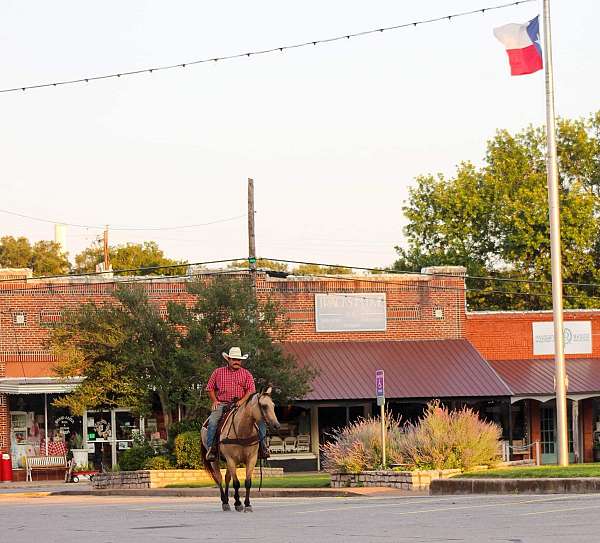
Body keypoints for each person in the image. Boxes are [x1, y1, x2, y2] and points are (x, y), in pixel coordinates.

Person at [205, 346, 269, 461]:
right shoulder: (218, 372)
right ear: (228, 359)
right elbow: (210, 388)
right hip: (223, 403)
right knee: (213, 421)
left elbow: (251, 390)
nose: (236, 362)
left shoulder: (246, 374)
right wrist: (215, 400)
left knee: (260, 419)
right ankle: (211, 449)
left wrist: (241, 401)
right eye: (234, 359)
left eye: (238, 360)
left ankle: (263, 447)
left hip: (242, 404)